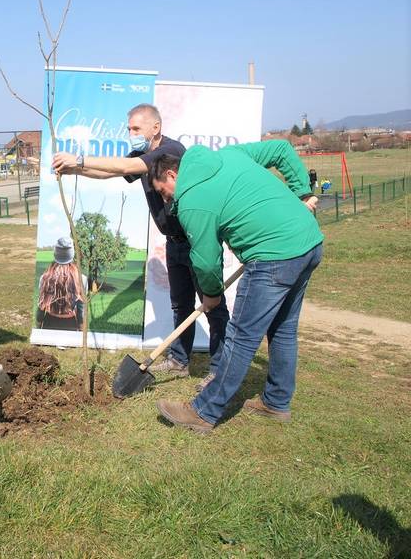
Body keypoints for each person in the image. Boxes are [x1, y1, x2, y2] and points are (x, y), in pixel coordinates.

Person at [148, 140, 323, 433]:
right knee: (283, 329)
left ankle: (204, 410)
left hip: (273, 256)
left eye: (163, 192)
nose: (166, 201)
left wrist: (211, 294)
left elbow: (204, 261)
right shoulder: (229, 155)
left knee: (240, 336)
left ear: (172, 176)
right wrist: (302, 191)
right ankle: (276, 402)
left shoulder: (191, 200)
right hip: (308, 241)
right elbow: (281, 149)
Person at [52, 104, 229, 387]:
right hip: (173, 242)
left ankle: (221, 369)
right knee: (180, 305)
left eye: (136, 128)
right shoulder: (142, 154)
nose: (131, 133)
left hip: (196, 240)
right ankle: (179, 360)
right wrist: (75, 170)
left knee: (214, 306)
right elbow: (112, 172)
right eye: (129, 129)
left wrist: (80, 158)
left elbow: (127, 166)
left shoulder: (170, 151)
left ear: (155, 128)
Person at [36, 237, 88, 331]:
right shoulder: (82, 279)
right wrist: (81, 329)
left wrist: (38, 325)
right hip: (70, 325)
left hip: (49, 323)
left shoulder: (44, 278)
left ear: (55, 253)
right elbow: (81, 311)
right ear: (72, 254)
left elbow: (41, 308)